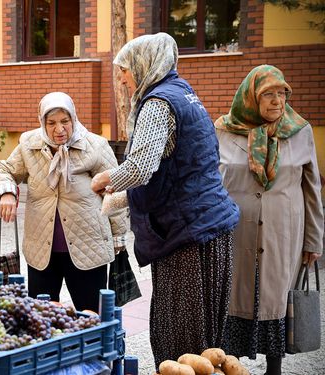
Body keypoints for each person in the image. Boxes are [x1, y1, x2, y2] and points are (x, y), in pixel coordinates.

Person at [90, 33, 240, 368]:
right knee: (205, 332)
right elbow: (175, 172)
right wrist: (119, 202)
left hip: (186, 235)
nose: (122, 78)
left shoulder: (158, 104)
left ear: (144, 66)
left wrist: (106, 180)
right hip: (207, 226)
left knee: (180, 331)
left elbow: (141, 168)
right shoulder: (185, 94)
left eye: (125, 70)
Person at [215, 65, 324, 375]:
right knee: (233, 296)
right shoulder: (223, 130)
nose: (278, 101)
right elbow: (210, 181)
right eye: (268, 94)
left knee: (276, 298)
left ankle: (274, 368)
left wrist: (314, 240)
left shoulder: (300, 131)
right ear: (251, 96)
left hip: (283, 234)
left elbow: (312, 189)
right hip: (234, 233)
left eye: (282, 93)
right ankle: (228, 364)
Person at [0, 91, 128, 312]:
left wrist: (118, 236)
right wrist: (7, 193)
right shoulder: (29, 144)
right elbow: (5, 170)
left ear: (73, 118)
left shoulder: (96, 146)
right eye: (51, 123)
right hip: (41, 251)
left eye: (65, 121)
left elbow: (115, 192)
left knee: (92, 316)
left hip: (88, 247)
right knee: (41, 317)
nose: (59, 129)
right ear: (42, 123)